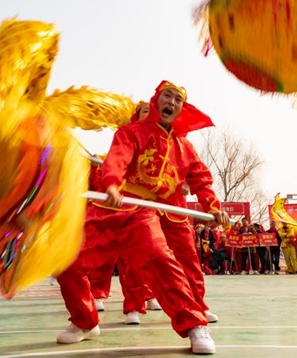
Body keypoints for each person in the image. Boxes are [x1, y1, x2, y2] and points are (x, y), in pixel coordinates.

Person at [56, 80, 228, 355]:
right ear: (156, 100)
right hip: (111, 208)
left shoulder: (185, 148)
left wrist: (213, 206)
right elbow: (117, 159)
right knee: (66, 261)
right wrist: (112, 184)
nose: (171, 103)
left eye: (177, 100)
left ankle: (195, 324)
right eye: (167, 96)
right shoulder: (131, 132)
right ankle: (85, 321)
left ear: (181, 109)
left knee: (160, 259)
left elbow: (201, 179)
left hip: (142, 214)